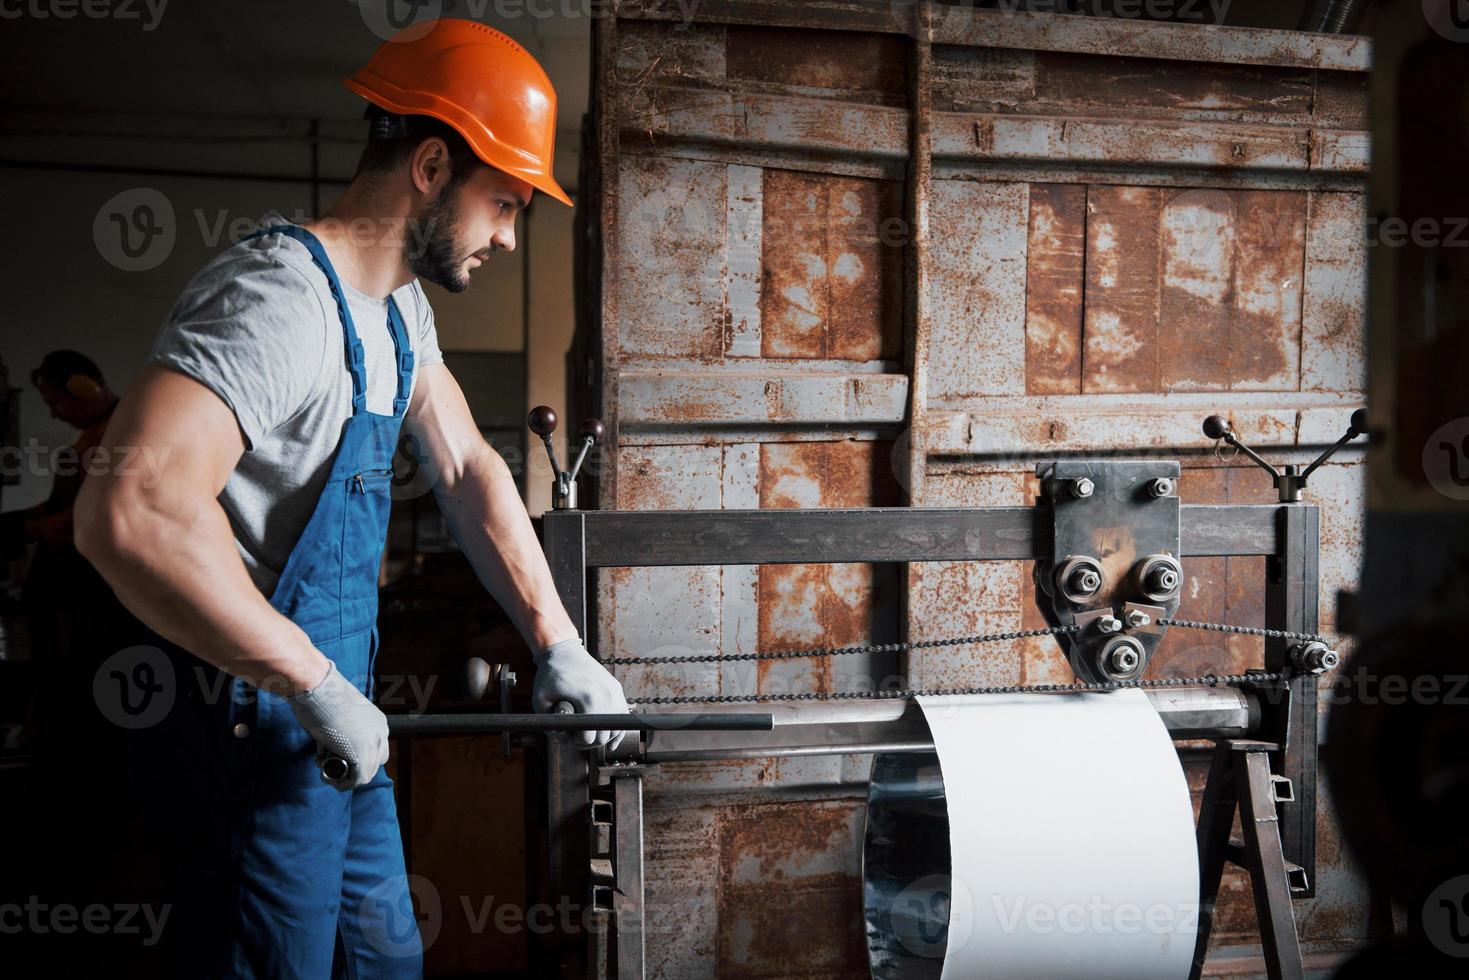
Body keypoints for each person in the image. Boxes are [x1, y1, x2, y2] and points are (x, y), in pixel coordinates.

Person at [74, 19, 627, 978]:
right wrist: (313, 681)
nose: (504, 234)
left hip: (334, 722)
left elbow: (465, 471)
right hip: (249, 721)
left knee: (382, 958)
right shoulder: (277, 300)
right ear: (428, 165)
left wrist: (558, 643)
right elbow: (129, 512)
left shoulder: (398, 310)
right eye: (501, 203)